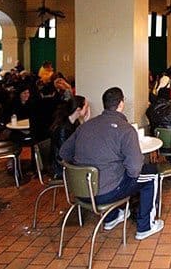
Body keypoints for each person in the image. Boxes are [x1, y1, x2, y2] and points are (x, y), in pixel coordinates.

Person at [59, 87, 164, 240]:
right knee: (152, 175)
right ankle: (145, 227)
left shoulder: (84, 127)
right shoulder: (125, 130)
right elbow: (135, 170)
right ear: (121, 104)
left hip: (81, 192)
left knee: (108, 175)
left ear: (104, 104)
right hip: (105, 194)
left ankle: (111, 217)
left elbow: (63, 153)